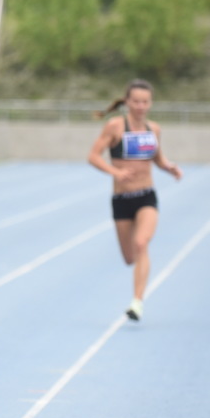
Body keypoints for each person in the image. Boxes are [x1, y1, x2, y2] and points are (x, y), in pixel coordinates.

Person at [87, 79, 183, 322]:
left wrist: (169, 167)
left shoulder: (154, 129)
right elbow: (93, 156)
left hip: (145, 196)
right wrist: (116, 172)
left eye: (145, 102)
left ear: (151, 103)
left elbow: (158, 158)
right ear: (127, 102)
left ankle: (137, 303)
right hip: (121, 199)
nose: (141, 106)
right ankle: (137, 291)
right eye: (136, 101)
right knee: (130, 257)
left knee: (141, 243)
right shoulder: (115, 127)